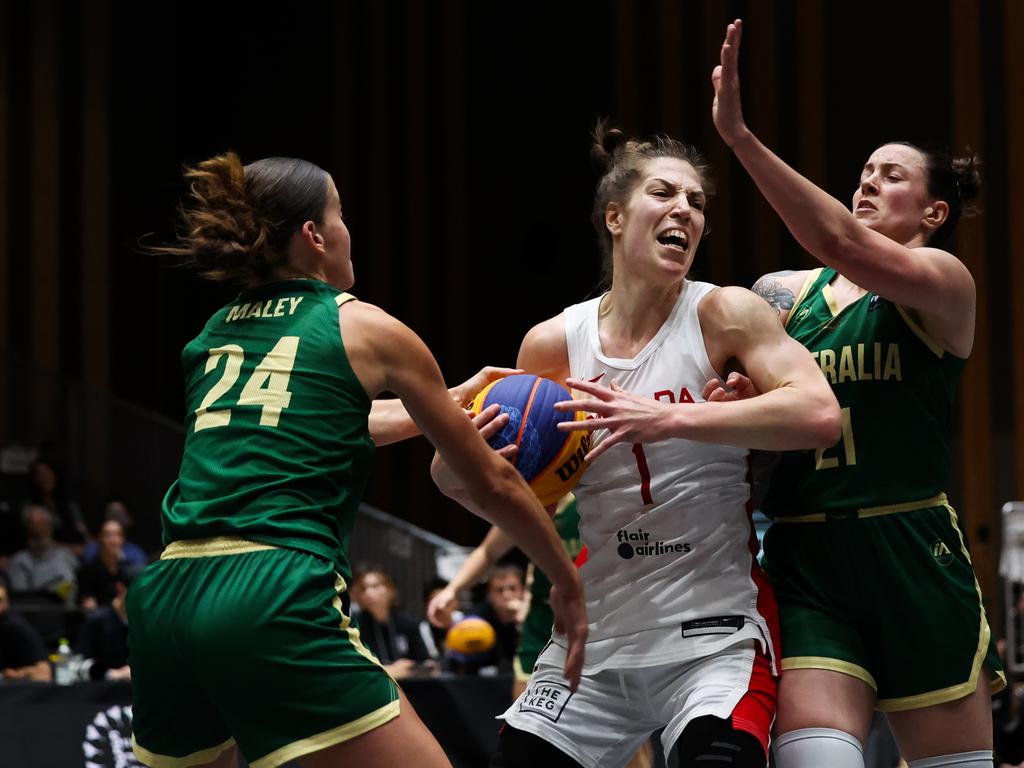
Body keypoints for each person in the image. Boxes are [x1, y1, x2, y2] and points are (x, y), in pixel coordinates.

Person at [126, 153, 587, 768]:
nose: (349, 229)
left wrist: (441, 407)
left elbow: (314, 422)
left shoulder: (212, 335)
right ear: (315, 236)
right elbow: (496, 480)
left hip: (167, 599)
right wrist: (566, 581)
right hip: (270, 592)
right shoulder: (367, 328)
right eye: (340, 213)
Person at [432, 124, 841, 768]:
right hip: (598, 637)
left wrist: (669, 419)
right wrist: (460, 461)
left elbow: (819, 413)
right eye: (665, 193)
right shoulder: (553, 344)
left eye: (698, 201)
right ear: (615, 217)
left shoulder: (724, 314)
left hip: (715, 629)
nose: (686, 208)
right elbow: (489, 490)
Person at [704, 19, 1005, 768]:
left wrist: (739, 137)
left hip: (912, 550)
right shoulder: (784, 300)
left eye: (893, 175)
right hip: (807, 556)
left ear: (933, 214)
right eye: (866, 171)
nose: (870, 180)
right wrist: (735, 399)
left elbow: (839, 242)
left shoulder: (943, 284)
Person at [350, 564, 434, 680]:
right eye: (363, 588)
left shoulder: (410, 623)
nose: (369, 593)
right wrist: (390, 671)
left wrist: (412, 668)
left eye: (375, 586)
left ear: (390, 589)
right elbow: (354, 667)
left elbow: (427, 663)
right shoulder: (354, 626)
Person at [7, 504, 79, 605]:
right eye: (33, 525)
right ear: (26, 530)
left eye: (43, 524)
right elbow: (22, 600)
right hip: (40, 616)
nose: (38, 530)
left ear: (50, 528)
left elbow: (78, 584)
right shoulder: (19, 562)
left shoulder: (66, 555)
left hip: (70, 613)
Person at [0, 570, 52, 682]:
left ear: (7, 603)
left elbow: (44, 673)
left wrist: (18, 674)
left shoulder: (17, 628)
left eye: (0, 601)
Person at [78, 518, 136, 611]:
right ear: (100, 538)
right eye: (108, 535)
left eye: (117, 535)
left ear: (122, 539)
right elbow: (88, 601)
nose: (113, 540)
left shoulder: (130, 568)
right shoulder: (87, 571)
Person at [80, 500, 149, 570]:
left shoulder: (137, 554)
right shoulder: (91, 550)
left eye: (120, 514)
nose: (112, 540)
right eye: (108, 535)